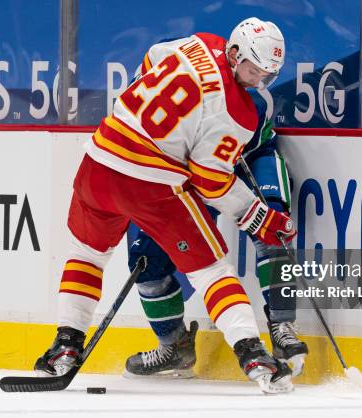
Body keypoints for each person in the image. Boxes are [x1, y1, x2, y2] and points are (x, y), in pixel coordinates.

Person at [34, 17, 296, 394]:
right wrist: (257, 215)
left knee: (87, 254)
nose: (258, 81)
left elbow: (150, 58)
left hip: (99, 159)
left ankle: (66, 346)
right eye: (254, 70)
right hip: (150, 183)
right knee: (210, 269)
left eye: (266, 76)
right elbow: (210, 183)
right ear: (236, 53)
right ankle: (253, 354)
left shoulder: (201, 42)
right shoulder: (239, 113)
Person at [124, 101, 309, 379]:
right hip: (193, 173)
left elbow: (253, 105)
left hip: (251, 157)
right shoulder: (148, 100)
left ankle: (282, 325)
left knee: (273, 226)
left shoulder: (218, 82)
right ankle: (173, 346)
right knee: (147, 257)